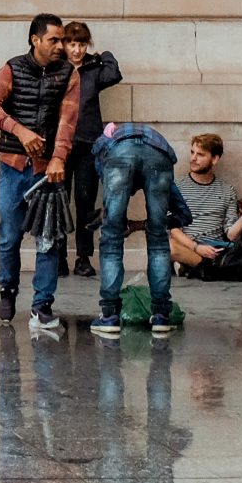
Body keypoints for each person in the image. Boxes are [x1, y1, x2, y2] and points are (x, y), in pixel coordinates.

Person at [0, 14, 81, 326]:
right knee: (9, 235)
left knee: (48, 239)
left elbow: (68, 121)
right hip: (12, 165)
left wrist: (59, 158)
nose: (60, 46)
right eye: (54, 40)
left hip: (47, 169)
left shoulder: (69, 74)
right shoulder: (12, 67)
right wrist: (20, 132)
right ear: (35, 40)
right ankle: (7, 289)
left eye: (62, 40)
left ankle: (42, 305)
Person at [90, 120, 180, 337]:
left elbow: (102, 169)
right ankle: (161, 316)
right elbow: (183, 213)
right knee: (159, 240)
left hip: (119, 158)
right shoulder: (152, 144)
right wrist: (153, 226)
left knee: (111, 238)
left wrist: (112, 215)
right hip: (161, 156)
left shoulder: (105, 143)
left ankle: (109, 316)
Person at [59, 21, 122, 279]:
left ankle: (83, 257)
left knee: (86, 202)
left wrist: (103, 55)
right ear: (63, 45)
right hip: (60, 145)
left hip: (87, 144)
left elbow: (114, 73)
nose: (76, 50)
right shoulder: (56, 70)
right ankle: (58, 257)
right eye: (72, 44)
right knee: (59, 202)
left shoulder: (94, 69)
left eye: (81, 44)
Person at [168, 133, 239, 273]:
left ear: (214, 159)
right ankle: (213, 268)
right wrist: (196, 247)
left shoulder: (228, 190)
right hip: (188, 244)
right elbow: (174, 229)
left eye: (200, 154)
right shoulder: (176, 187)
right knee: (167, 246)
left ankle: (195, 266)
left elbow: (230, 232)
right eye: (192, 152)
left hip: (216, 248)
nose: (193, 158)